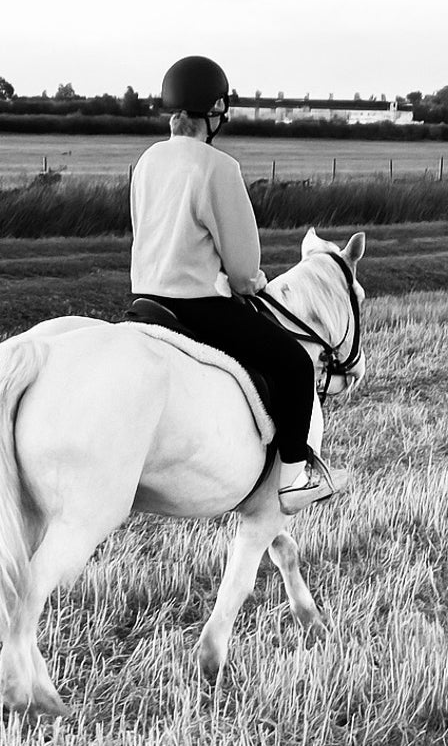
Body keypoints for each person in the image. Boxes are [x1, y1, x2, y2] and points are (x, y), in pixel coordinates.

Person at [129, 55, 346, 514]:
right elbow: (245, 269)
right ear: (213, 112)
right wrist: (252, 282)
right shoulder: (218, 167)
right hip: (199, 307)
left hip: (145, 301)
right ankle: (294, 478)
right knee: (295, 364)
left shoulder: (146, 161)